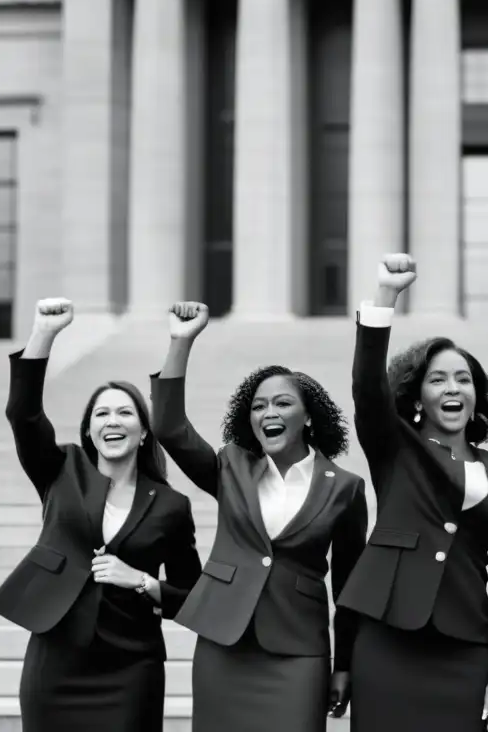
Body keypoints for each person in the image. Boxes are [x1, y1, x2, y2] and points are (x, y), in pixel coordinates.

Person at [151, 302, 368, 732]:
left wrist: (344, 664)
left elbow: (348, 587)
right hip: (223, 642)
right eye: (258, 406)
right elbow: (169, 427)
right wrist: (181, 340)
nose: (268, 413)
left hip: (298, 650)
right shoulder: (230, 465)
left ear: (307, 417)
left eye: (282, 403)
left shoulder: (345, 486)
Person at [0, 297, 201, 732]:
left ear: (144, 431)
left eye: (125, 412)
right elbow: (23, 414)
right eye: (102, 413)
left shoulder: (170, 505)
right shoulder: (60, 469)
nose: (113, 421)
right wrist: (43, 334)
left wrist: (143, 581)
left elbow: (192, 597)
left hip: (131, 668)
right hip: (56, 660)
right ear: (88, 429)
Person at [337, 253, 488, 732]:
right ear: (417, 396)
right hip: (387, 638)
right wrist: (385, 298)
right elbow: (366, 388)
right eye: (438, 378)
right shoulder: (395, 447)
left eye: (464, 379)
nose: (453, 388)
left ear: (477, 396)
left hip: (465, 643)